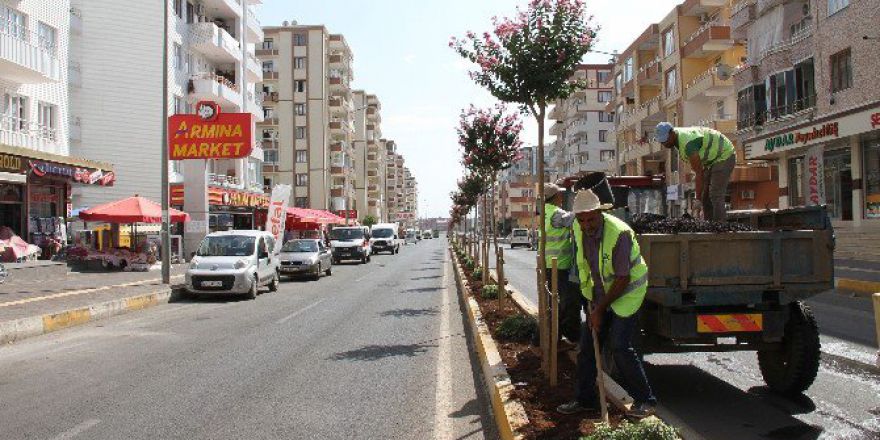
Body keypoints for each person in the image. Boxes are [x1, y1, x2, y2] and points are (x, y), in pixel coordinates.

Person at [557, 190, 657, 419]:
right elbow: (589, 268)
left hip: (626, 293)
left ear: (600, 212)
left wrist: (600, 310)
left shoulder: (619, 233)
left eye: (590, 218)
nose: (586, 224)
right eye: (581, 219)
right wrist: (592, 305)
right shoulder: (579, 228)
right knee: (587, 348)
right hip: (600, 295)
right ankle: (585, 400)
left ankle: (646, 400)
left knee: (620, 346)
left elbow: (623, 278)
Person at [655, 122, 736, 221]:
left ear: (672, 133)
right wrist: (700, 197)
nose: (664, 143)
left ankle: (721, 230)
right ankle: (710, 227)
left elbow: (699, 173)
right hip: (711, 161)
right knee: (705, 196)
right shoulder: (678, 138)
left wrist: (697, 200)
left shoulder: (688, 144)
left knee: (715, 194)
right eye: (662, 142)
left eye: (665, 140)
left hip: (724, 155)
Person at [542, 183, 582, 346]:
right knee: (567, 301)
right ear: (556, 197)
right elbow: (576, 218)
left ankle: (552, 337)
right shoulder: (556, 214)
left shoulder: (544, 212)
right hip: (560, 265)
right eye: (560, 195)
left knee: (553, 302)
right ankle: (564, 337)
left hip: (549, 264)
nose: (562, 197)